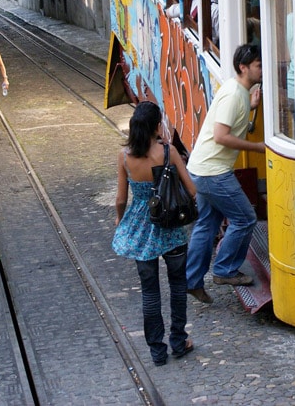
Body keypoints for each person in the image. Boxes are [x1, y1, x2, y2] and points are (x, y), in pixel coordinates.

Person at [112, 101, 197, 367]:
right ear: (156, 126)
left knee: (149, 291)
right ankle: (179, 341)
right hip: (171, 227)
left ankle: (157, 352)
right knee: (178, 285)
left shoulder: (125, 156)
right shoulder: (168, 152)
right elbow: (192, 190)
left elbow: (120, 198)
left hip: (141, 231)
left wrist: (119, 217)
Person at [185, 44, 265, 303]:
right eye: (258, 66)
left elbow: (231, 120)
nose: (262, 70)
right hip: (213, 172)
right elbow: (221, 136)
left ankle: (192, 280)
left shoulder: (238, 92)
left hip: (202, 168)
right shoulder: (233, 95)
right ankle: (225, 270)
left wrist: (251, 106)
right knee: (245, 218)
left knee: (206, 225)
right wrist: (256, 147)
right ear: (244, 67)